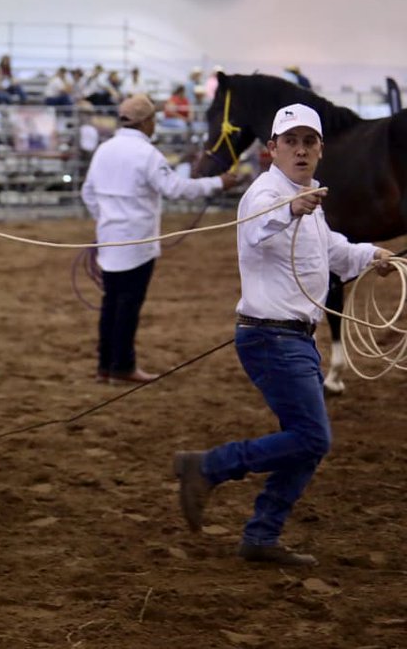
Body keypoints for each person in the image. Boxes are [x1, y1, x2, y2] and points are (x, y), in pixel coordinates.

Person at [174, 104, 393, 567]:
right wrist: (290, 209)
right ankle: (209, 466)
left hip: (292, 338)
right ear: (272, 149)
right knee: (312, 438)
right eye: (290, 142)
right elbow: (257, 227)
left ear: (320, 149)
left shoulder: (308, 196)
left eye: (308, 142)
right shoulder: (267, 194)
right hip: (272, 339)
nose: (300, 150)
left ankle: (262, 534)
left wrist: (371, 255)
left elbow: (332, 250)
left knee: (305, 441)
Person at [81, 95, 239, 383]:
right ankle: (122, 366)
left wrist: (104, 220)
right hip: (137, 243)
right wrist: (217, 183)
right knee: (128, 305)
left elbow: (88, 193)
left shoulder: (104, 149)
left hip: (109, 239)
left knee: (111, 303)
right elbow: (175, 189)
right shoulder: (147, 154)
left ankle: (105, 365)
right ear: (146, 122)